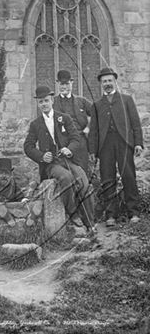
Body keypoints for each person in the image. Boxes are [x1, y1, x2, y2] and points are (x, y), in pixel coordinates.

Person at [24, 85, 96, 236]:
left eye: (46, 101)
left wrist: (69, 149)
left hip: (68, 161)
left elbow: (76, 138)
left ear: (52, 101)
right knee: (66, 177)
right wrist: (41, 156)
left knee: (83, 181)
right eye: (41, 102)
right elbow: (28, 147)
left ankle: (90, 223)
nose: (44, 104)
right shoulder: (35, 124)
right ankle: (73, 214)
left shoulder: (64, 118)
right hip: (51, 165)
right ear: (38, 104)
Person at [88, 67, 143, 226]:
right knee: (107, 179)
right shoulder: (97, 105)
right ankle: (111, 215)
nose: (107, 84)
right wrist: (92, 150)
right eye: (104, 81)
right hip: (105, 146)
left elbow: (136, 123)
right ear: (101, 84)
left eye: (110, 80)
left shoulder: (126, 100)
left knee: (128, 176)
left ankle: (133, 212)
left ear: (115, 81)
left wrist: (138, 143)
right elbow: (93, 131)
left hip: (124, 143)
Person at [53, 70, 92, 174]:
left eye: (66, 83)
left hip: (80, 141)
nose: (64, 87)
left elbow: (96, 113)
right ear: (58, 84)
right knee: (65, 173)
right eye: (62, 84)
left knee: (82, 171)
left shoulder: (81, 101)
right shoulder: (53, 102)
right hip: (61, 142)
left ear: (72, 83)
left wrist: (88, 128)